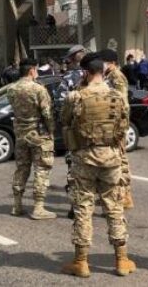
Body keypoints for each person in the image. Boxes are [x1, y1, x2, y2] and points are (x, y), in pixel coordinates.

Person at [61, 54, 134, 278]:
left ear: (86, 73)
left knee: (83, 208)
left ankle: (81, 262)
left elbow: (65, 121)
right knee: (114, 207)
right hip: (111, 156)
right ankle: (121, 260)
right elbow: (124, 125)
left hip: (84, 157)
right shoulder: (117, 96)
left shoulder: (75, 96)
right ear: (103, 72)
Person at [8, 58, 56, 221]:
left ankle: (17, 205)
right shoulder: (38, 89)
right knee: (42, 168)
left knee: (22, 168)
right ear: (31, 70)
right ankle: (38, 207)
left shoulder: (12, 89)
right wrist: (51, 130)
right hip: (38, 134)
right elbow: (47, 113)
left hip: (21, 134)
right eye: (35, 69)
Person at [99, 48, 134, 211]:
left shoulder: (117, 77)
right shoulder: (108, 76)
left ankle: (125, 195)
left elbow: (122, 103)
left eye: (104, 62)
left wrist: (120, 125)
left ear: (111, 63)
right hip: (110, 125)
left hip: (117, 125)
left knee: (120, 161)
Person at [60, 44, 87, 219]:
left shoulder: (68, 78)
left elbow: (61, 104)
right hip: (97, 132)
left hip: (75, 133)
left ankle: (76, 206)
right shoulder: (97, 77)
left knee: (75, 170)